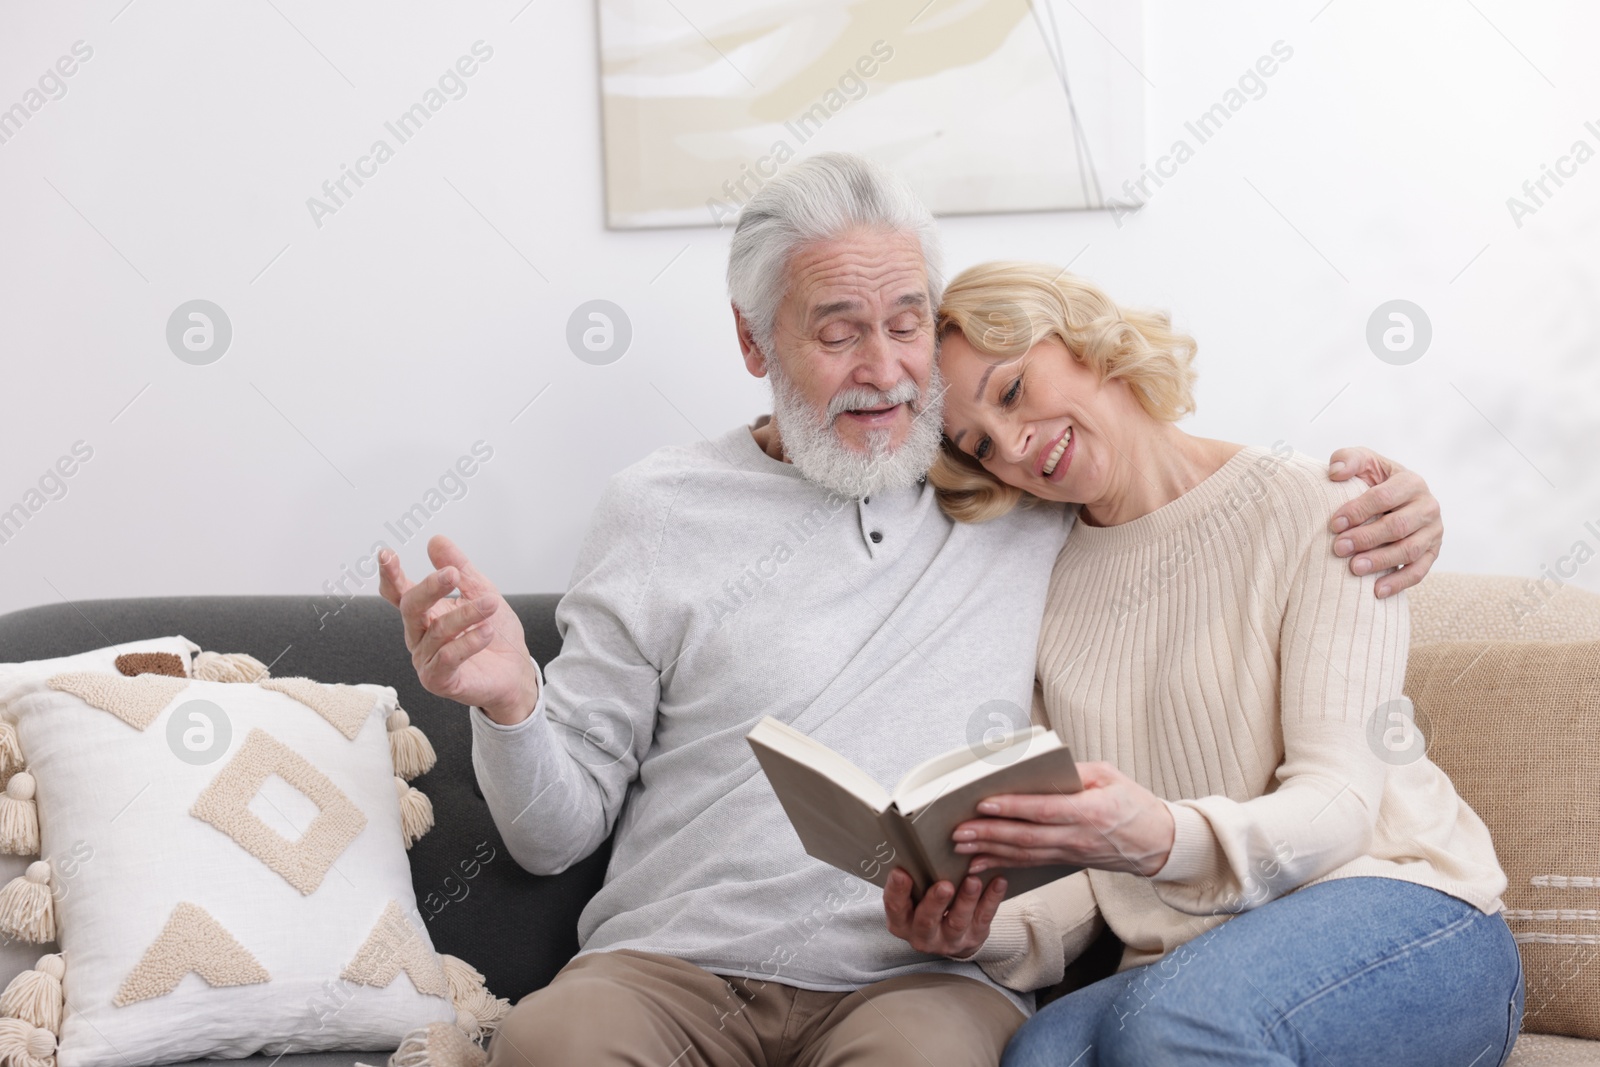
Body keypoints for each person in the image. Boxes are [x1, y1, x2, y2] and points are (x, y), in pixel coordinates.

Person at [375, 154, 1448, 1067]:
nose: (883, 370)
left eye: (905, 324)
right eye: (837, 331)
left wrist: (1389, 507)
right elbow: (553, 836)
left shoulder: (1013, 489)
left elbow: (1173, 497)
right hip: (671, 962)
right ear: (754, 342)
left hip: (915, 975)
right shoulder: (656, 507)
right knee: (550, 1047)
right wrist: (512, 701)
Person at [882, 261, 1521, 1067]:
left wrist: (1159, 836)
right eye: (979, 445)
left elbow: (1341, 804)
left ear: (1080, 337)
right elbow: (1091, 870)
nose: (1012, 445)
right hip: (1189, 961)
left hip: (1407, 912)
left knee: (1171, 1027)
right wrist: (973, 925)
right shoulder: (1042, 590)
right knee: (1041, 1056)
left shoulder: (1323, 507)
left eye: (1011, 391)